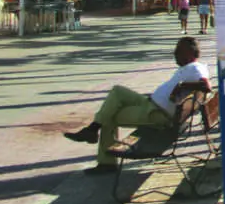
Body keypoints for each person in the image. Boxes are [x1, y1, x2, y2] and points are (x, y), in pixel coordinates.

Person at [64, 37, 211, 173]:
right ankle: (92, 130)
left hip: (157, 114)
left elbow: (206, 85)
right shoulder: (193, 67)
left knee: (109, 115)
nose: (175, 54)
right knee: (117, 91)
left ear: (189, 52)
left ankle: (105, 161)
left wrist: (181, 86)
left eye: (178, 51)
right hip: (151, 105)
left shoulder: (195, 68)